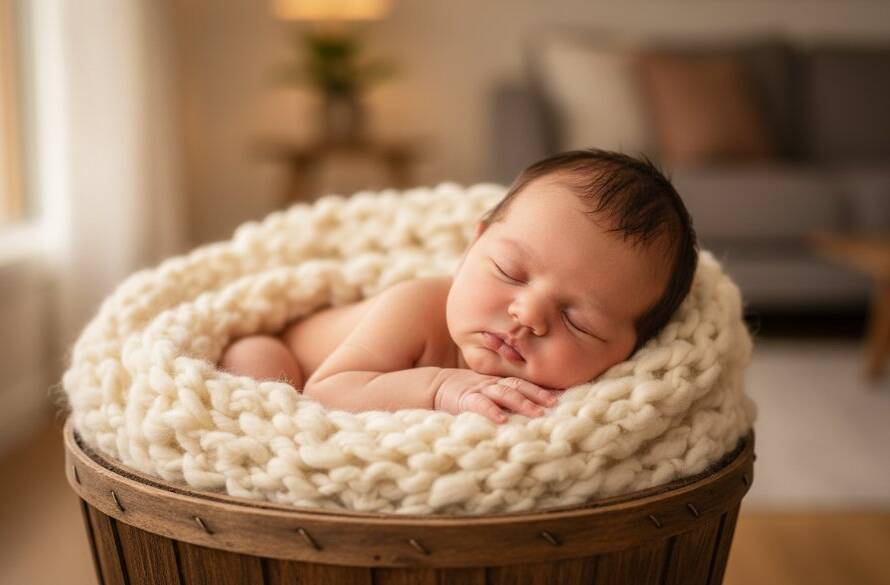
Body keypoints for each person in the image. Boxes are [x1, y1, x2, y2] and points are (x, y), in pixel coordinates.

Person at [218, 149, 698, 423]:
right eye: (510, 271)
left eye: (579, 321)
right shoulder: (417, 307)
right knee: (256, 364)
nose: (528, 315)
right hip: (297, 362)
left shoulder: (582, 401)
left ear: (629, 351)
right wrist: (440, 387)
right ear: (473, 246)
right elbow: (327, 392)